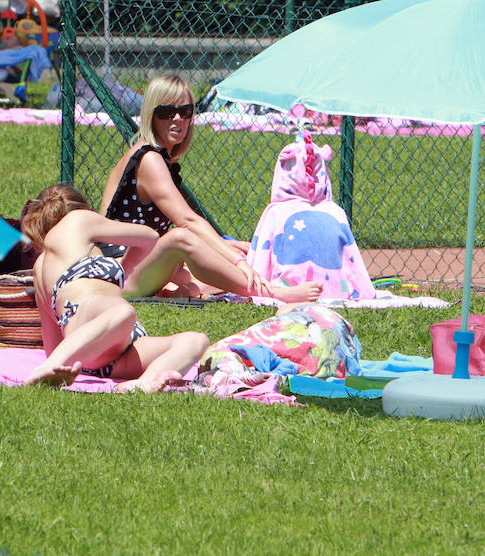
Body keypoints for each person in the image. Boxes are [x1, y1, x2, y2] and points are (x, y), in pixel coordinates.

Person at [99, 72, 322, 303]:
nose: (177, 119)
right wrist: (238, 262)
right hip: (117, 275)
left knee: (227, 251)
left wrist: (231, 248)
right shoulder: (148, 159)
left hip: (136, 265)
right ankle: (273, 293)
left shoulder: (160, 158)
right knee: (183, 240)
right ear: (151, 116)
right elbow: (188, 221)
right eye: (166, 112)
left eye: (185, 112)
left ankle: (174, 291)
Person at [22, 184, 209, 391]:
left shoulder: (40, 267)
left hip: (105, 349)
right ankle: (47, 369)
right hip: (103, 323)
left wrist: (64, 357)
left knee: (197, 341)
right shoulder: (78, 219)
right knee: (124, 313)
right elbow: (149, 237)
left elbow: (52, 344)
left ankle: (141, 384)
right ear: (84, 209)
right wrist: (124, 269)